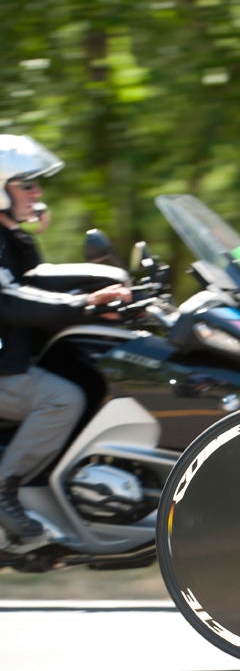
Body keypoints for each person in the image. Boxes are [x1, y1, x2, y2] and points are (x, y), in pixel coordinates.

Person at [0, 134, 132, 542]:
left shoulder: (9, 238)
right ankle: (4, 491)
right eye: (27, 185)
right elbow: (11, 299)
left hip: (14, 361)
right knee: (63, 398)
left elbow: (35, 282)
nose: (37, 193)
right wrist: (85, 302)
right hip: (5, 371)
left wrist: (106, 289)